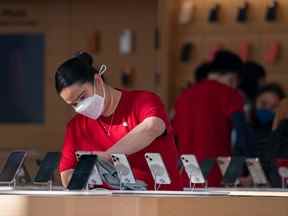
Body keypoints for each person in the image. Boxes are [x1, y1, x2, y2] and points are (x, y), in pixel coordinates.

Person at [55, 52, 182, 190]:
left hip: (161, 202)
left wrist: (107, 156)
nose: (80, 106)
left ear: (98, 81)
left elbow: (152, 127)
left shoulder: (142, 101)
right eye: (74, 104)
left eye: (83, 97)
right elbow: (66, 175)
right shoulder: (76, 126)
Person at [172, 50, 253, 186]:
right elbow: (242, 136)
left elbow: (173, 136)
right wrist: (246, 171)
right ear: (233, 77)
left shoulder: (183, 96)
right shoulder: (230, 94)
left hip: (185, 175)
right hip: (217, 175)